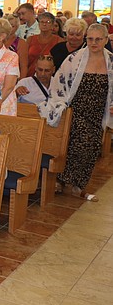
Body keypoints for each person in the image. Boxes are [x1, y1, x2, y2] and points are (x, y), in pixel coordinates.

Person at [39, 24, 113, 202]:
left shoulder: (111, 60)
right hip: (75, 109)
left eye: (98, 39)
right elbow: (59, 82)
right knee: (77, 144)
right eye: (90, 39)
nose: (93, 43)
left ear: (106, 40)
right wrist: (60, 104)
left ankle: (78, 184)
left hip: (98, 111)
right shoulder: (74, 58)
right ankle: (62, 181)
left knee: (93, 146)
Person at [25, 12, 62, 77]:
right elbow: (24, 61)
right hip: (30, 75)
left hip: (49, 77)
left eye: (48, 22)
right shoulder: (30, 39)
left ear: (53, 25)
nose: (44, 24)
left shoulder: (59, 41)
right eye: (42, 22)